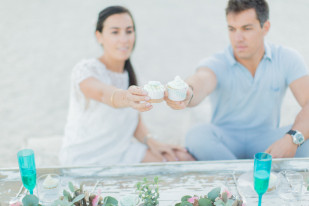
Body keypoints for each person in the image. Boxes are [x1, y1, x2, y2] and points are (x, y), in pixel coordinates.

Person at [165, 0, 309, 160]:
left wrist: (292, 138)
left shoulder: (287, 58)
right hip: (225, 142)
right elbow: (200, 81)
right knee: (197, 135)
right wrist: (187, 92)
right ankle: (243, 175)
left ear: (265, 27)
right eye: (232, 29)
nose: (237, 38)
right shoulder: (217, 63)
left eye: (246, 28)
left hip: (265, 141)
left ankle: (236, 172)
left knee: (305, 135)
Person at [60, 6, 194, 165]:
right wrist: (127, 97)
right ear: (99, 36)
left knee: (181, 158)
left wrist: (152, 142)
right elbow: (104, 94)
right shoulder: (85, 70)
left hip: (122, 151)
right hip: (86, 157)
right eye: (115, 32)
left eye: (129, 31)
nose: (124, 39)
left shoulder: (129, 74)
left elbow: (133, 123)